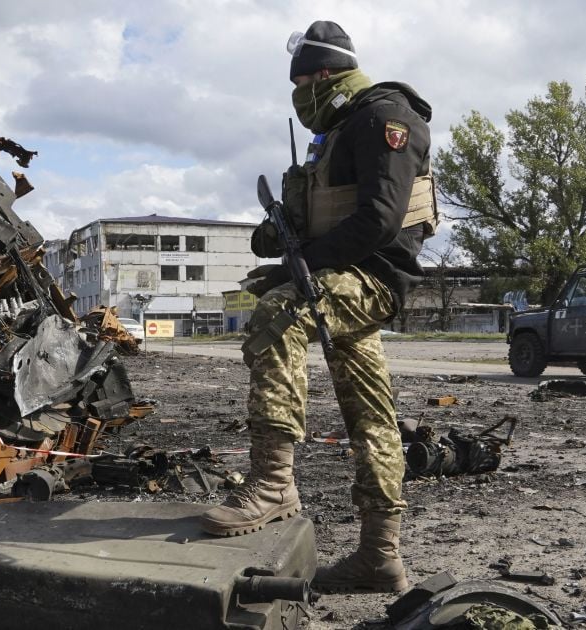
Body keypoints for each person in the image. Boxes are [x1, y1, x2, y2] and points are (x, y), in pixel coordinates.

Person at [199, 20, 437, 595]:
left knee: (277, 313)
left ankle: (274, 483)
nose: (298, 93)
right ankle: (380, 559)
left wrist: (292, 270)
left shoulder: (386, 117)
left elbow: (380, 219)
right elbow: (329, 212)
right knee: (372, 417)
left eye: (302, 81)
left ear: (325, 75)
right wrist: (279, 239)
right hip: (339, 276)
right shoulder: (338, 129)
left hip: (373, 278)